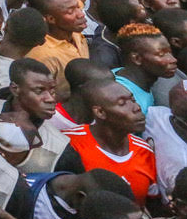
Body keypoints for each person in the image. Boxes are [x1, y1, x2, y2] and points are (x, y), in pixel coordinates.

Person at [61, 79, 158, 207]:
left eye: (133, 100)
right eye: (122, 103)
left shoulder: (144, 151)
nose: (136, 107)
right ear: (100, 112)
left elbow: (152, 204)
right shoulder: (69, 143)